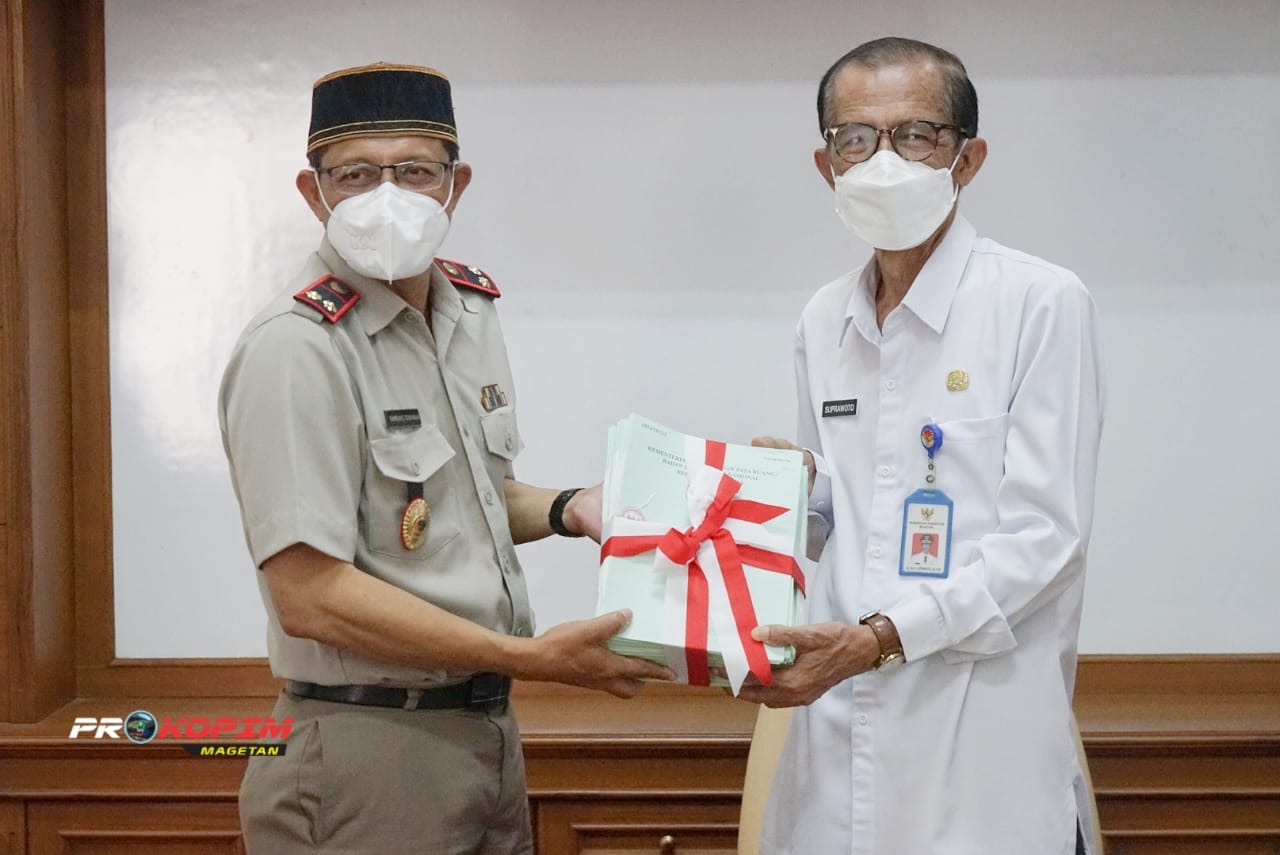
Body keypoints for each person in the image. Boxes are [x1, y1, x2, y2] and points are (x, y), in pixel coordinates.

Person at [218, 62, 671, 854]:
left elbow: (466, 501)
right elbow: (309, 596)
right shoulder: (297, 347)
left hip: (483, 733)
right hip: (364, 747)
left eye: (415, 171)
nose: (387, 194)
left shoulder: (466, 312)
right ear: (313, 192)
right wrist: (532, 657)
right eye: (356, 174)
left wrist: (571, 508)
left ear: (455, 185)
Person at [744, 37, 1105, 855]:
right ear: (826, 165)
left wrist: (880, 637)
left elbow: (1046, 539)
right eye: (856, 139)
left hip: (979, 745)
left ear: (967, 158)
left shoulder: (1040, 303)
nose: (883, 162)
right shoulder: (823, 319)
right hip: (838, 737)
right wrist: (791, 492)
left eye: (915, 135)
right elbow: (840, 522)